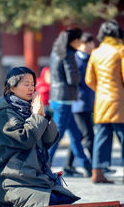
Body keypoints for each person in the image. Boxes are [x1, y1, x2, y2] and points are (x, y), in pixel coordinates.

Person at [0, 67, 80, 207]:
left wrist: (43, 115)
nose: (31, 88)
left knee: (63, 199)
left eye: (33, 84)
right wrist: (37, 117)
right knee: (51, 201)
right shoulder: (6, 114)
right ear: (12, 87)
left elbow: (49, 140)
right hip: (13, 181)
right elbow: (24, 139)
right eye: (26, 84)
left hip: (35, 178)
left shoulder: (30, 108)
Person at [49, 28, 92, 177]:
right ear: (73, 41)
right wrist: (81, 75)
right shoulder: (68, 55)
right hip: (65, 99)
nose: (80, 43)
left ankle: (87, 165)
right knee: (57, 136)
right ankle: (44, 164)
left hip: (57, 97)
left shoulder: (56, 52)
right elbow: (72, 79)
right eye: (79, 40)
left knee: (75, 134)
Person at [85, 20, 124, 183]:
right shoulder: (121, 50)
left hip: (101, 100)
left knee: (101, 137)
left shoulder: (96, 53)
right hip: (119, 101)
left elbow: (89, 79)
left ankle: (97, 173)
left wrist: (101, 90)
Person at [64, 32, 95, 176]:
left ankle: (68, 165)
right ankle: (95, 166)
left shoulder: (91, 59)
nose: (91, 46)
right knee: (88, 135)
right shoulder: (74, 59)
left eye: (91, 43)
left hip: (89, 102)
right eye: (87, 43)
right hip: (78, 104)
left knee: (79, 136)